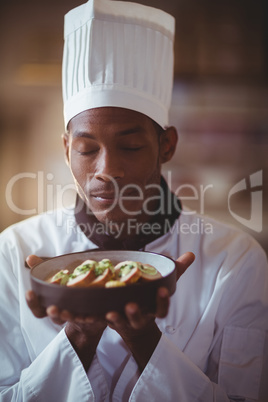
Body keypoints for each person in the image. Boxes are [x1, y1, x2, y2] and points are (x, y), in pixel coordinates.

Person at [0, 0, 267, 401]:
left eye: (130, 146)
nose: (107, 169)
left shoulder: (234, 259)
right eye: (87, 149)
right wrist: (77, 336)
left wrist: (145, 341)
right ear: (66, 148)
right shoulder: (13, 251)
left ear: (167, 145)